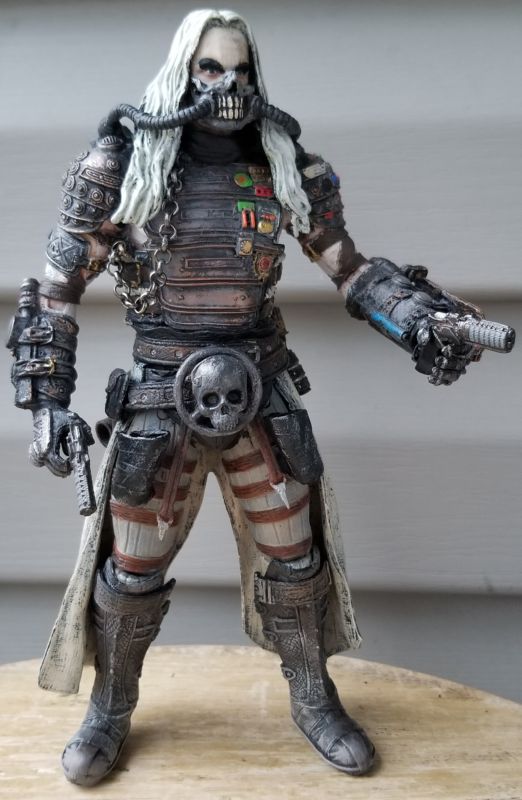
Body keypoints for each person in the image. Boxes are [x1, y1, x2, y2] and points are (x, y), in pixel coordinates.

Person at [7, 8, 514, 788]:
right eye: (211, 69)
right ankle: (110, 708)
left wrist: (417, 318)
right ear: (183, 73)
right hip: (159, 399)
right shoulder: (123, 167)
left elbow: (349, 267)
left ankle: (312, 696)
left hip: (261, 393)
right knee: (130, 570)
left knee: (296, 559)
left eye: (242, 70)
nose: (229, 85)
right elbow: (54, 290)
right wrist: (47, 402)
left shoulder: (284, 166)